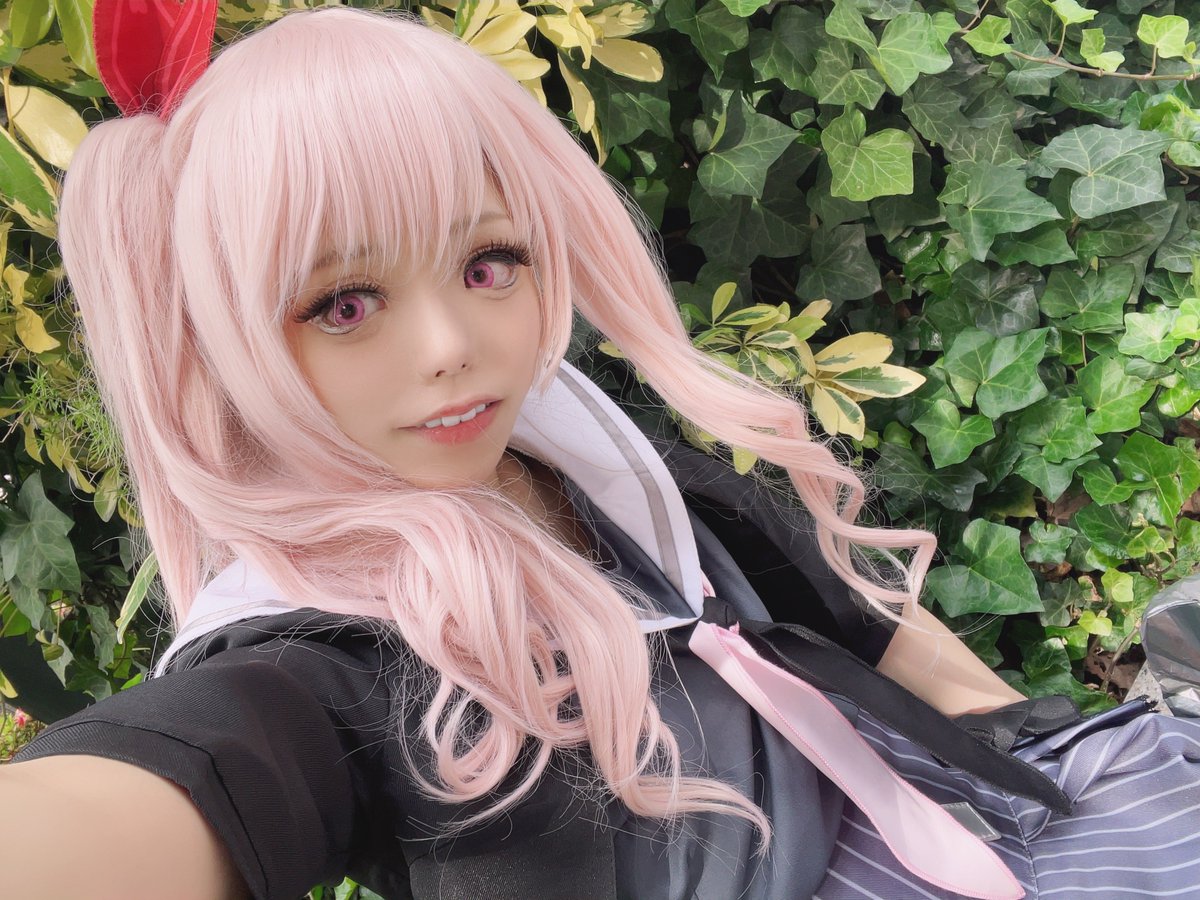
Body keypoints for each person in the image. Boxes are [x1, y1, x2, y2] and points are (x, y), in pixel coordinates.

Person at [2, 5, 1199, 899]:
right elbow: (172, 783)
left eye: (489, 264)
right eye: (344, 305)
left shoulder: (596, 464)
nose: (452, 348)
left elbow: (868, 623)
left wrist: (1029, 758)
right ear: (223, 340)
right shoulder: (322, 656)